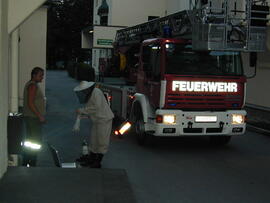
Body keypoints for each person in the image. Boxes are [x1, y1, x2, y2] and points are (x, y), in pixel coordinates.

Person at [74, 81, 114, 168]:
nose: (83, 92)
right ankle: (91, 159)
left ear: (87, 88)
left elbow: (96, 107)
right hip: (97, 120)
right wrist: (82, 115)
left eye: (83, 90)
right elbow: (91, 110)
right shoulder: (90, 95)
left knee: (102, 141)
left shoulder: (96, 92)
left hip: (104, 120)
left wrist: (82, 111)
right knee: (93, 141)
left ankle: (98, 162)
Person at [22, 67, 46, 166]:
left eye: (42, 75)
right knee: (35, 142)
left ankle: (28, 162)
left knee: (30, 141)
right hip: (33, 119)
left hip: (31, 118)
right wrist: (40, 116)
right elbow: (30, 103)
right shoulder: (32, 86)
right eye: (40, 75)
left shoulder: (32, 85)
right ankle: (31, 163)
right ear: (34, 75)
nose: (42, 77)